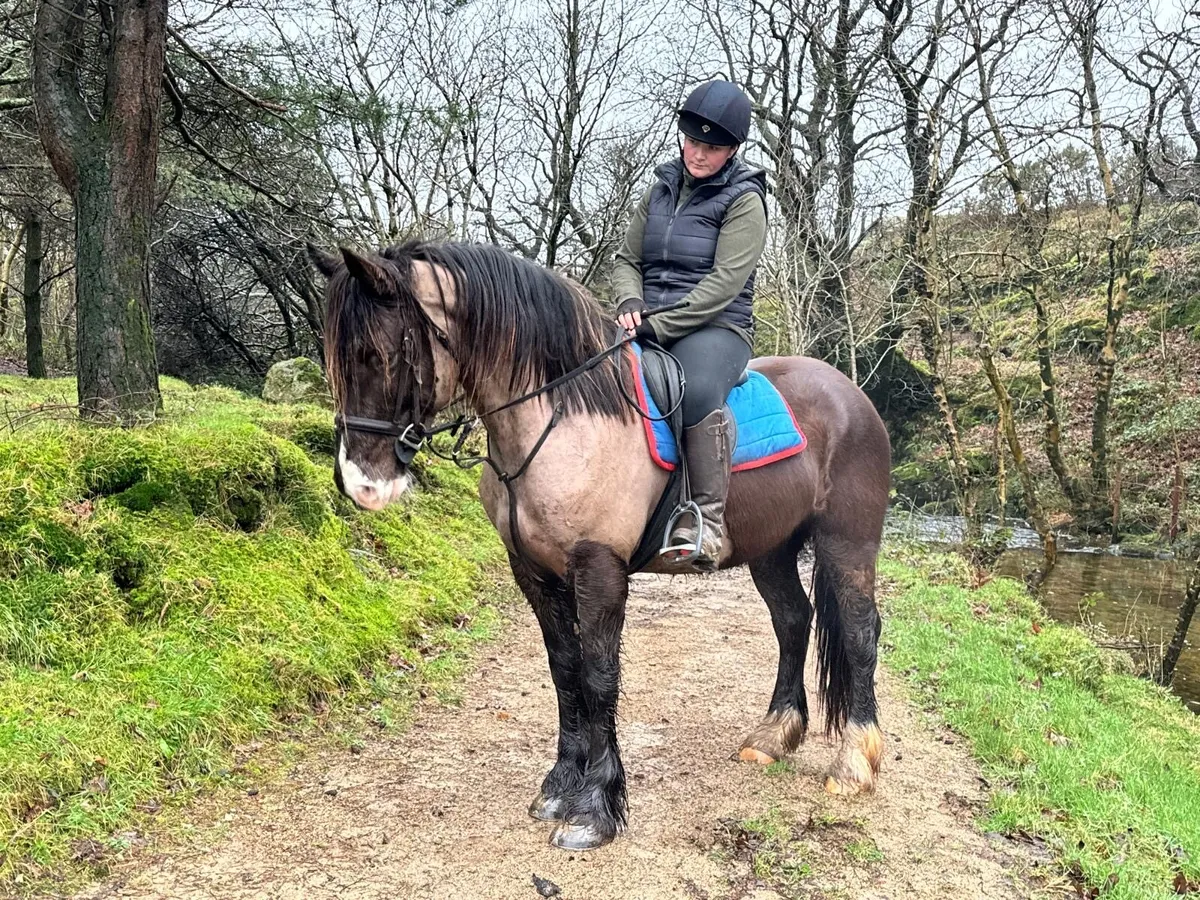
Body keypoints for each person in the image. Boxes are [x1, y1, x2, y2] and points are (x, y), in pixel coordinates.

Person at [612, 79, 768, 570]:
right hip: (648, 320)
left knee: (696, 389)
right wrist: (630, 300)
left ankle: (706, 519)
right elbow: (625, 258)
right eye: (693, 141)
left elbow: (725, 283)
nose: (698, 154)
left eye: (712, 147)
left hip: (717, 328)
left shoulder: (745, 200)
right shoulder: (659, 188)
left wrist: (661, 325)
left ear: (733, 150)